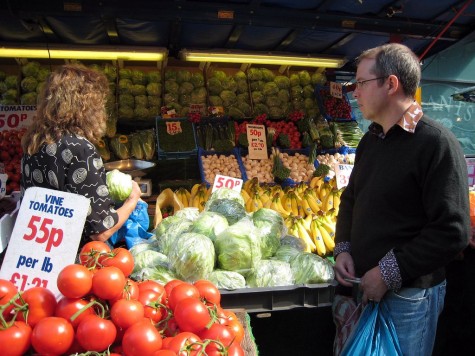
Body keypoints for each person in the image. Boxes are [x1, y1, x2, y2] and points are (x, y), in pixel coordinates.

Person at [333, 43, 471, 356]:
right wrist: (343, 248)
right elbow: (350, 198)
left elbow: (452, 230)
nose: (354, 92)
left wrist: (387, 273)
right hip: (364, 287)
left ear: (391, 84)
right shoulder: (372, 140)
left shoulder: (435, 143)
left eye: (361, 83)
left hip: (409, 298)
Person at [20, 64, 142, 246]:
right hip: (72, 260)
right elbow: (100, 232)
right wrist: (132, 200)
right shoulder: (80, 149)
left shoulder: (35, 142)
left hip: (38, 252)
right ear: (87, 106)